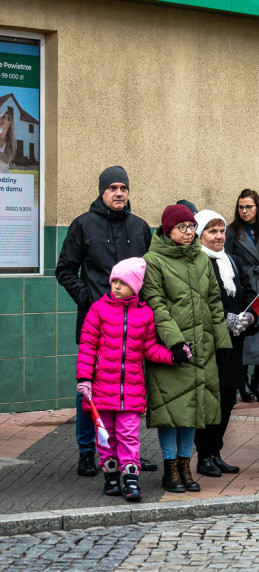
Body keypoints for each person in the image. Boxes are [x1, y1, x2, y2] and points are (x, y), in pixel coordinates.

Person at [55, 166, 155, 477]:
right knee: (89, 388)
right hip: (96, 321)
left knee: (130, 390)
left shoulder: (140, 228)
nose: (118, 193)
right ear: (102, 191)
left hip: (133, 325)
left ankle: (128, 455)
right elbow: (65, 270)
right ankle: (88, 451)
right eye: (112, 188)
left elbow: (148, 274)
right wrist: (87, 296)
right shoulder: (83, 225)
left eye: (123, 188)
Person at [141, 204, 232, 494]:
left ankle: (185, 467)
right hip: (172, 350)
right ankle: (170, 469)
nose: (189, 232)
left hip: (202, 348)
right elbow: (156, 304)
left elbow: (214, 303)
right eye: (183, 227)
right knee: (172, 410)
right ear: (168, 230)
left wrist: (221, 341)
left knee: (194, 409)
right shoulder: (152, 261)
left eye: (192, 227)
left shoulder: (202, 260)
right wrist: (175, 342)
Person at [76, 258, 181, 502]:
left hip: (130, 391)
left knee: (129, 435)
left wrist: (173, 356)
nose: (116, 286)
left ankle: (131, 479)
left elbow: (150, 348)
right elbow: (88, 346)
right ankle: (111, 478)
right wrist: (84, 378)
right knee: (106, 436)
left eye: (122, 283)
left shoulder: (144, 314)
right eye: (114, 281)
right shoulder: (99, 309)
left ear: (135, 286)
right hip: (102, 389)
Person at [192, 210, 255, 478]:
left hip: (234, 343)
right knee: (210, 400)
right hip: (210, 342)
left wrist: (249, 316)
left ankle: (216, 452)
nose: (219, 236)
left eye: (221, 231)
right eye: (212, 231)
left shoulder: (233, 260)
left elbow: (248, 291)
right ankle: (203, 454)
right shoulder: (197, 262)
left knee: (229, 397)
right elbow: (198, 302)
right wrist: (226, 320)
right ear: (200, 235)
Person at [225, 189, 259, 404]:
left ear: (257, 207)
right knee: (246, 333)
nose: (244, 211)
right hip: (245, 288)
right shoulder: (231, 231)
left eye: (248, 207)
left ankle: (258, 382)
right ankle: (242, 383)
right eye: (240, 207)